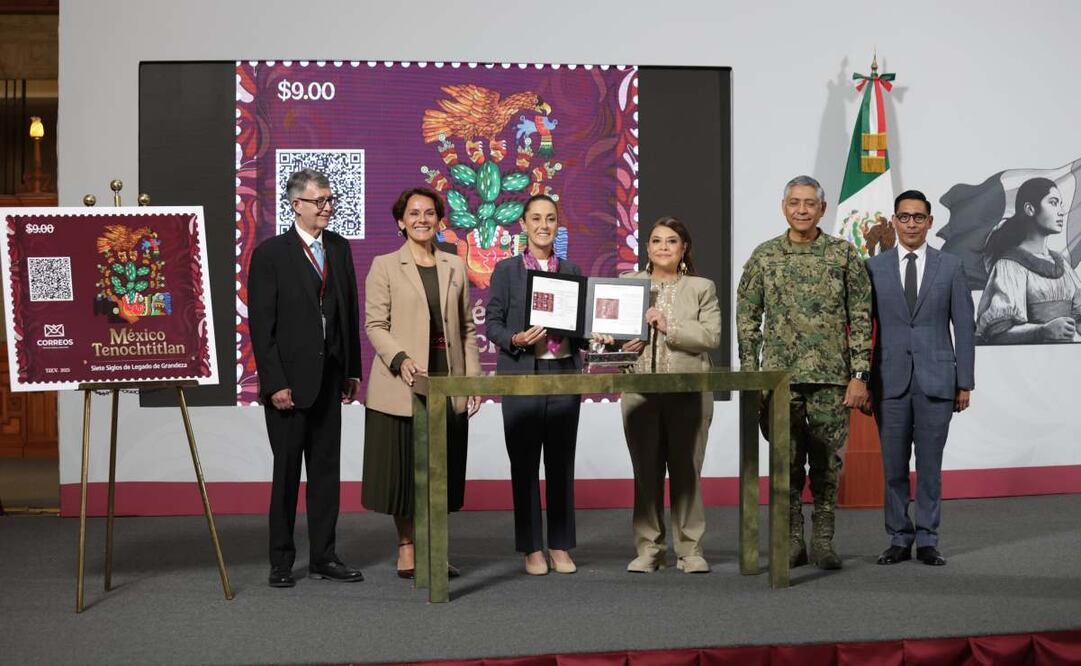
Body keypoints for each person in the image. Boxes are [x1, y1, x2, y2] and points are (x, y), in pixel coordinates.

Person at [736, 175, 873, 570]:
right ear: (784, 207)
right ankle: (792, 539)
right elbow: (747, 318)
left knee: (828, 462)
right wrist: (752, 377)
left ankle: (824, 539)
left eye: (809, 203)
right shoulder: (764, 256)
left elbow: (861, 318)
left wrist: (859, 374)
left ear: (822, 210)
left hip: (833, 377)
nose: (801, 210)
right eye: (794, 202)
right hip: (780, 382)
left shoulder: (843, 255)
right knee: (788, 461)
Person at [248, 168, 364, 588]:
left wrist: (351, 369)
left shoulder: (339, 248)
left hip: (330, 381)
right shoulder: (270, 254)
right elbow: (262, 328)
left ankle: (324, 556)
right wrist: (275, 383)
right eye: (320, 201)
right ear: (296, 205)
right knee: (285, 478)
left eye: (330, 200)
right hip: (289, 387)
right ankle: (281, 561)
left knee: (326, 474)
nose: (328, 207)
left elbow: (347, 311)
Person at [362, 187, 482, 578]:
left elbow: (466, 328)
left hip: (448, 383)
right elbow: (375, 325)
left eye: (429, 213)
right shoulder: (384, 265)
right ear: (401, 221)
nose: (421, 220)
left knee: (441, 472)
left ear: (439, 219)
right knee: (404, 473)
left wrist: (473, 381)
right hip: (402, 382)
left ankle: (435, 548)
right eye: (413, 213)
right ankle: (407, 545)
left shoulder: (455, 265)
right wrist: (400, 359)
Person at [867, 189, 975, 567]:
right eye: (904, 216)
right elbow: (864, 328)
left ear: (930, 222)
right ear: (894, 221)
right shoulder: (874, 269)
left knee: (930, 466)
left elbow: (964, 326)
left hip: (937, 381)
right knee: (893, 467)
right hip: (889, 382)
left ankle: (928, 539)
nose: (911, 223)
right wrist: (862, 380)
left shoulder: (950, 267)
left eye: (918, 217)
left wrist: (965, 382)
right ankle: (898, 538)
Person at [485, 194, 588, 576]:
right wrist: (516, 339)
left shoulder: (572, 269)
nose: (544, 225)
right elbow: (492, 323)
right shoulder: (507, 271)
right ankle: (531, 548)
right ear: (524, 225)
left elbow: (581, 329)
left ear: (558, 225)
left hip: (563, 374)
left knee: (561, 463)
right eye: (536, 219)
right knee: (525, 465)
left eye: (551, 219)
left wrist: (600, 336)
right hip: (521, 375)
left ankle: (560, 545)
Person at [618, 217, 721, 574]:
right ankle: (649, 549)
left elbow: (710, 337)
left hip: (688, 394)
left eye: (672, 241)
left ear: (684, 249)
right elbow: (605, 331)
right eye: (656, 241)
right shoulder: (627, 285)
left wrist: (668, 325)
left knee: (686, 471)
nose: (663, 247)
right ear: (646, 248)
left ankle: (690, 549)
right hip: (640, 392)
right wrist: (615, 340)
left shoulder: (700, 287)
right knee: (645, 471)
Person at [975, 177, 1081, 343]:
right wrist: (1043, 331)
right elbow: (997, 333)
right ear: (1030, 209)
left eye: (1061, 204)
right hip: (1030, 361)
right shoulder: (1009, 266)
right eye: (1053, 203)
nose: (1061, 211)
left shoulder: (1062, 264)